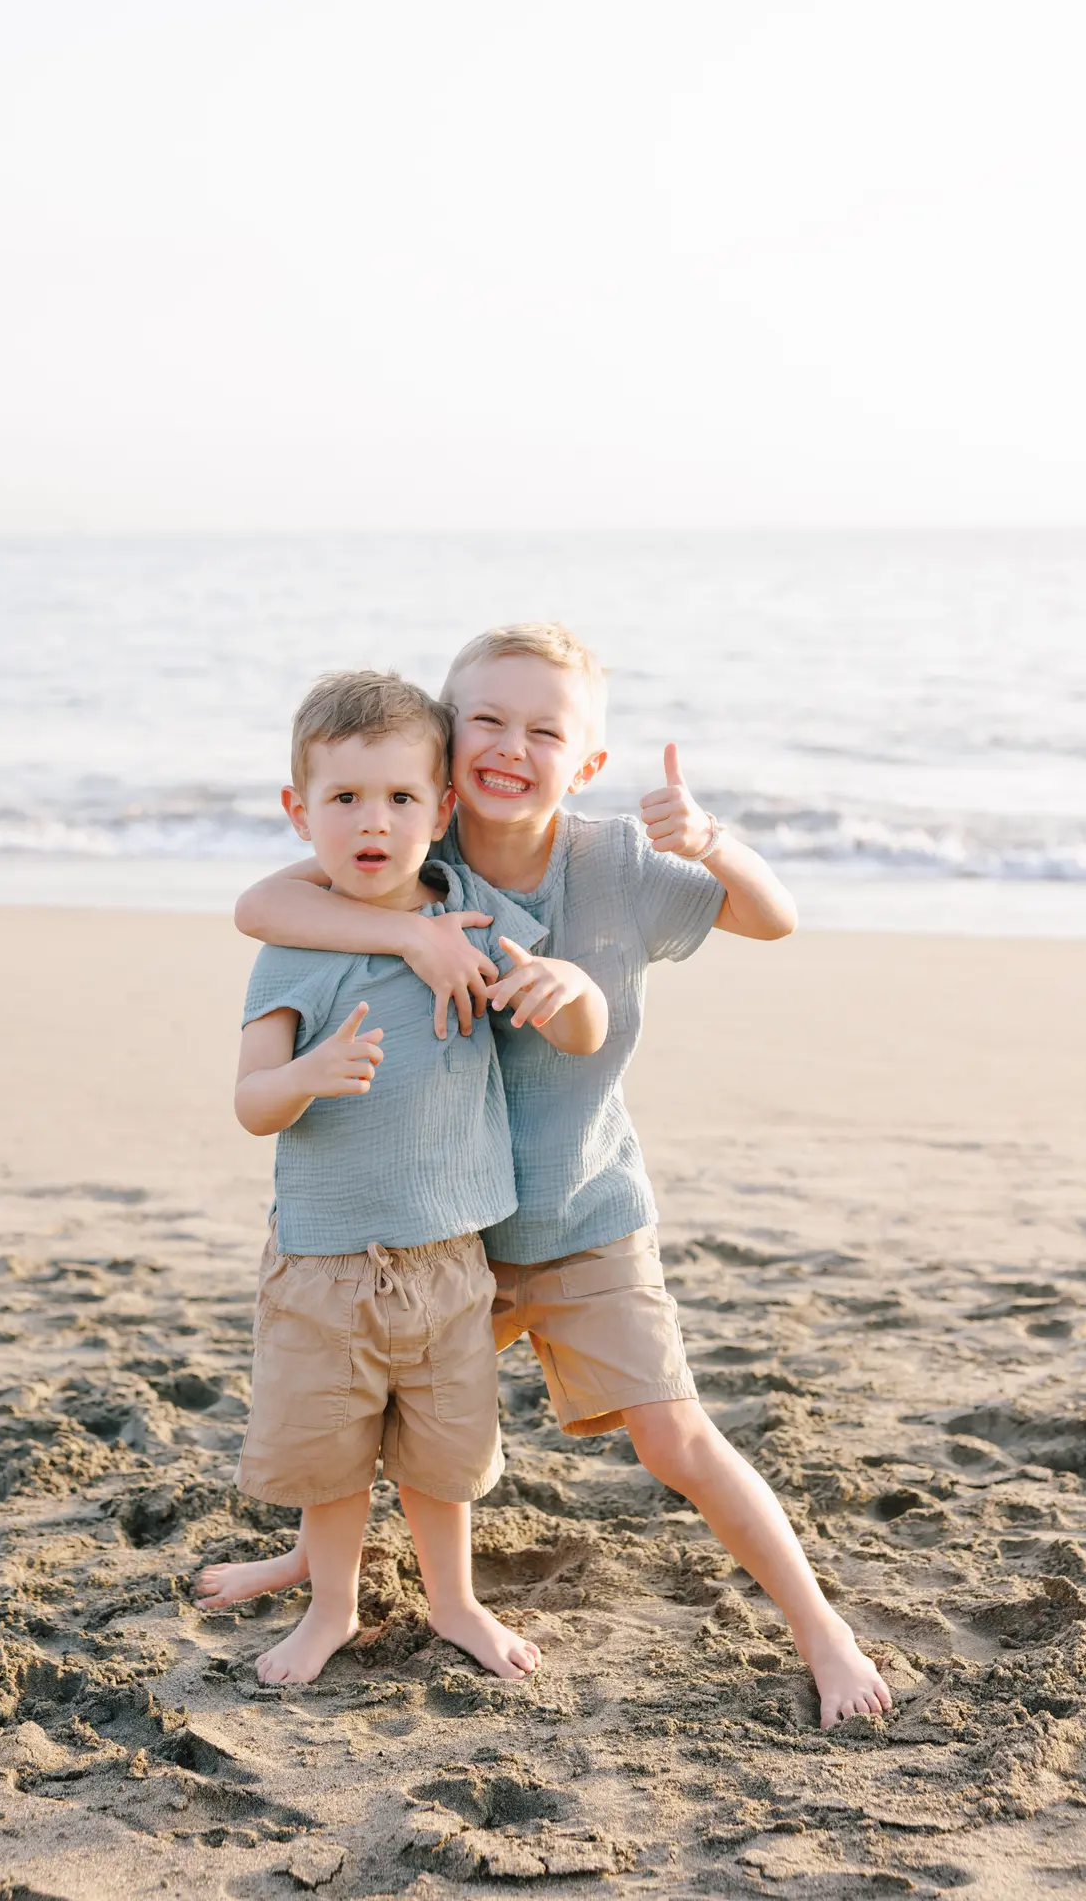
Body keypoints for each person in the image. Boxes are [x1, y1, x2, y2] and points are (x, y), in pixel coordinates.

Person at [227, 626, 893, 1727]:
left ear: (583, 763)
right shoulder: (405, 853)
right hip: (450, 1231)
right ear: (445, 755)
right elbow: (263, 907)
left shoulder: (611, 862)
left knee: (673, 1435)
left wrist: (711, 839)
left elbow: (773, 919)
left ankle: (820, 1628)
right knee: (361, 1403)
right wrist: (412, 945)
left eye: (544, 730)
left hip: (583, 1213)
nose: (509, 745)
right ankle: (316, 1568)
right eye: (484, 720)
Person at [195, 667, 606, 1685]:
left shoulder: (471, 911)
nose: (371, 821)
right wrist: (306, 1075)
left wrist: (578, 991)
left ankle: (454, 1600)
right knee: (331, 1457)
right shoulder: (294, 946)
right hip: (325, 1257)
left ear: (442, 809)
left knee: (439, 1452)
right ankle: (330, 1606)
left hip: (446, 1255)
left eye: (399, 798)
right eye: (342, 798)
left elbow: (580, 1031)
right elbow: (251, 1103)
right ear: (298, 810)